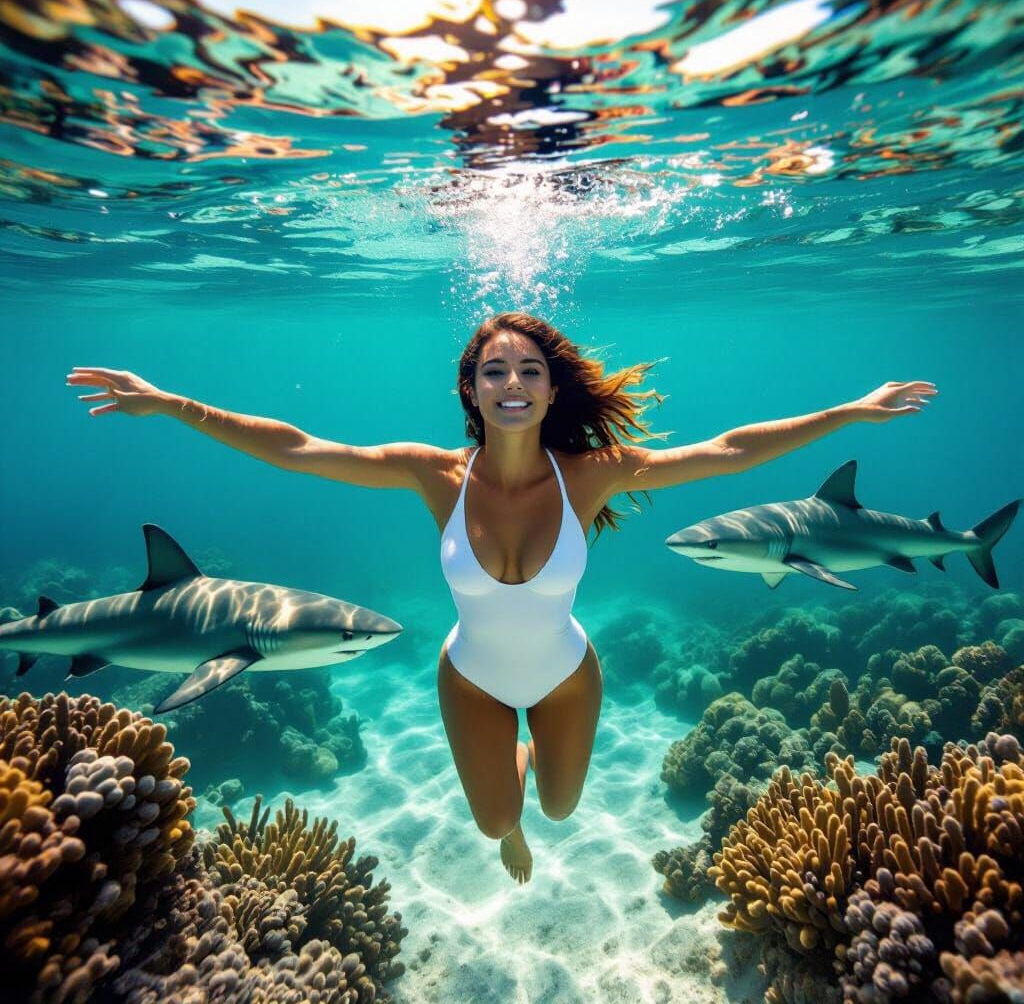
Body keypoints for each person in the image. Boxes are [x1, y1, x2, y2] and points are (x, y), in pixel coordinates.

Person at [66, 310, 937, 884]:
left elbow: (730, 450)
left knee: (560, 806)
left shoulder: (594, 473)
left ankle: (530, 766)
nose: (512, 384)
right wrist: (172, 404)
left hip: (565, 674)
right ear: (471, 390)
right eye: (493, 372)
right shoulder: (434, 474)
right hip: (471, 678)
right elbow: (297, 446)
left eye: (528, 370)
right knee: (498, 826)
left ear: (552, 388)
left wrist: (849, 413)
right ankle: (508, 805)